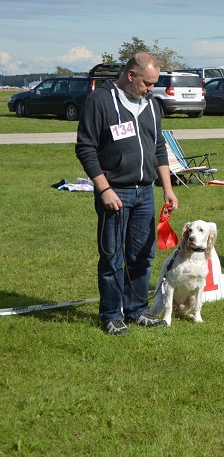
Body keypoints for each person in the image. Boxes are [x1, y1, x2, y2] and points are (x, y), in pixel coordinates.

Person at [74, 53, 177, 335]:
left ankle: (137, 310)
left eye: (154, 84)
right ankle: (111, 315)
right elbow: (85, 148)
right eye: (147, 83)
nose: (151, 89)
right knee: (111, 258)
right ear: (131, 75)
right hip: (115, 193)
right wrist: (104, 189)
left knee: (142, 256)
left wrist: (167, 188)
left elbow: (158, 147)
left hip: (145, 193)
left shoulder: (151, 104)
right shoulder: (99, 101)